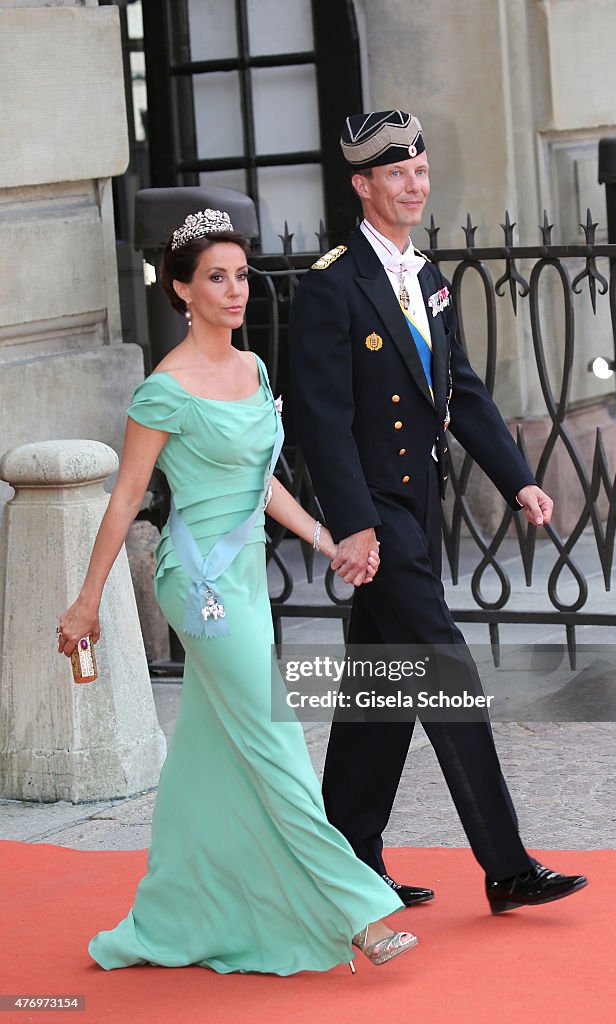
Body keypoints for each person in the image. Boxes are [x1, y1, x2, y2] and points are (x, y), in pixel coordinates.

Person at [57, 208, 418, 974]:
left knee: (211, 755)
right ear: (181, 291)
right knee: (273, 734)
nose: (234, 290)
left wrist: (328, 540)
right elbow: (124, 501)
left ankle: (171, 915)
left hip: (247, 574)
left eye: (241, 275)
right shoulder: (164, 390)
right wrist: (88, 600)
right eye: (215, 278)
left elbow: (262, 487)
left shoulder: (252, 371)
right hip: (202, 586)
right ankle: (353, 909)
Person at [288, 110, 588, 914]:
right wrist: (351, 522)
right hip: (376, 516)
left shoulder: (426, 277)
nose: (415, 186)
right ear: (362, 184)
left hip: (418, 505)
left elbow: (461, 390)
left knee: (383, 685)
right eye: (396, 175)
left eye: (420, 171)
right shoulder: (329, 283)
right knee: (444, 670)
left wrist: (517, 475)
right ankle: (506, 865)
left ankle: (344, 861)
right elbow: (318, 417)